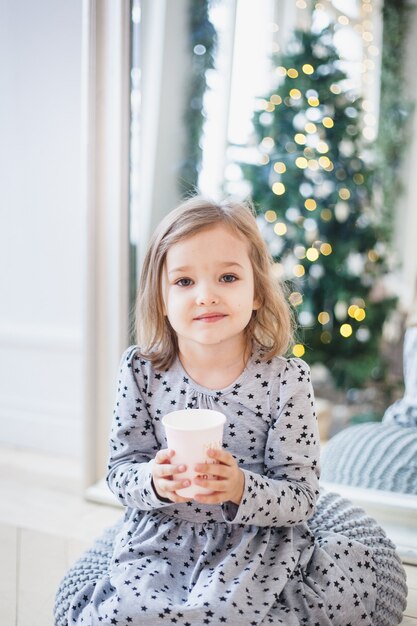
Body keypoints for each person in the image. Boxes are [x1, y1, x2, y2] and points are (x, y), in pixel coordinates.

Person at [69, 196, 377, 625]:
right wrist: (154, 481)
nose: (206, 296)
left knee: (225, 616)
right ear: (159, 298)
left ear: (256, 293)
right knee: (125, 614)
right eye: (183, 282)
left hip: (252, 544)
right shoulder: (141, 370)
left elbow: (303, 497)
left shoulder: (286, 381)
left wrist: (239, 488)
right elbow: (120, 473)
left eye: (228, 277)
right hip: (161, 539)